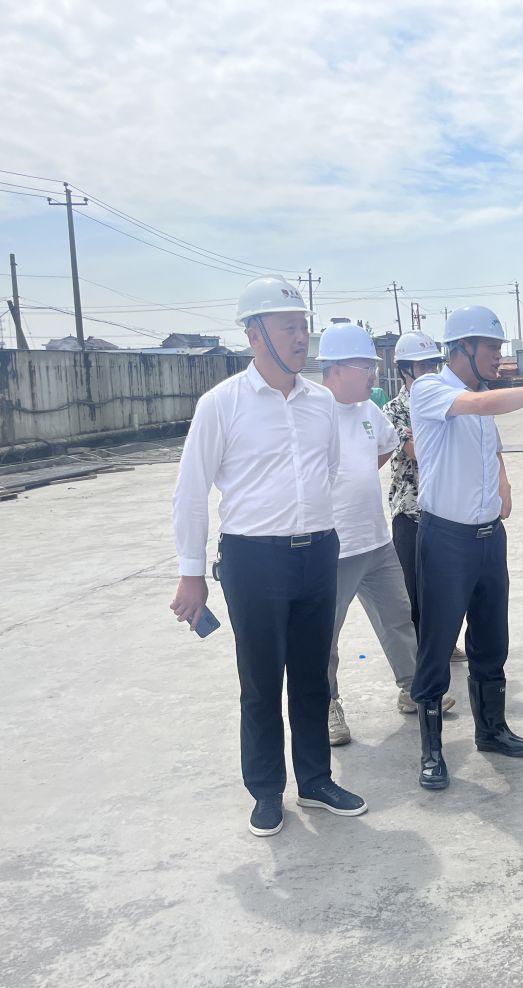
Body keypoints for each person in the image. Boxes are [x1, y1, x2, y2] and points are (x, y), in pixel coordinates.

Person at [170, 276, 367, 838]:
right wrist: (190, 574)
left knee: (312, 675)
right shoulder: (221, 404)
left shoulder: (322, 403)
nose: (301, 338)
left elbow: (328, 470)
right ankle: (265, 791)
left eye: (304, 326)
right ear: (254, 335)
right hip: (253, 559)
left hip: (317, 552)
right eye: (287, 328)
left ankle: (316, 780)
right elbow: (191, 491)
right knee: (260, 681)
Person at [408, 305, 523, 790]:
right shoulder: (432, 389)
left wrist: (502, 485)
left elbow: (489, 447)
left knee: (492, 639)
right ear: (463, 347)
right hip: (446, 539)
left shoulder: (479, 398)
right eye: (491, 348)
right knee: (437, 643)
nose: (498, 356)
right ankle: (432, 750)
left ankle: (491, 729)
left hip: (489, 537)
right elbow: (480, 408)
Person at [316, 323, 451, 748]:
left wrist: (357, 476)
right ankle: (326, 705)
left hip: (375, 541)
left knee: (397, 617)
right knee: (324, 635)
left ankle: (413, 689)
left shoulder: (367, 410)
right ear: (337, 368)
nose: (374, 374)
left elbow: (387, 446)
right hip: (331, 547)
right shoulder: (313, 412)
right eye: (366, 366)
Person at [382, 332, 469, 666]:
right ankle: (420, 652)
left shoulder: (450, 399)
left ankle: (444, 642)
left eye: (433, 363)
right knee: (413, 587)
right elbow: (418, 451)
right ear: (405, 370)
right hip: (410, 509)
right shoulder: (394, 410)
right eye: (422, 366)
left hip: (446, 508)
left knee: (446, 584)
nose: (430, 370)